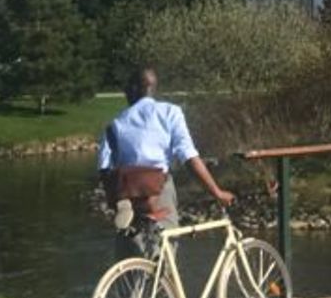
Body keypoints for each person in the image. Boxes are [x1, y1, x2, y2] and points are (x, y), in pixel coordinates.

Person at [97, 68, 234, 240]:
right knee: (163, 249)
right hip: (157, 186)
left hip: (126, 187)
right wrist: (217, 193)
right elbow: (189, 156)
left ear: (135, 88)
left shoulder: (115, 123)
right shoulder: (169, 112)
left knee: (131, 250)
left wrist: (115, 195)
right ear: (151, 87)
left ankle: (126, 210)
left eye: (126, 88)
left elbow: (103, 167)